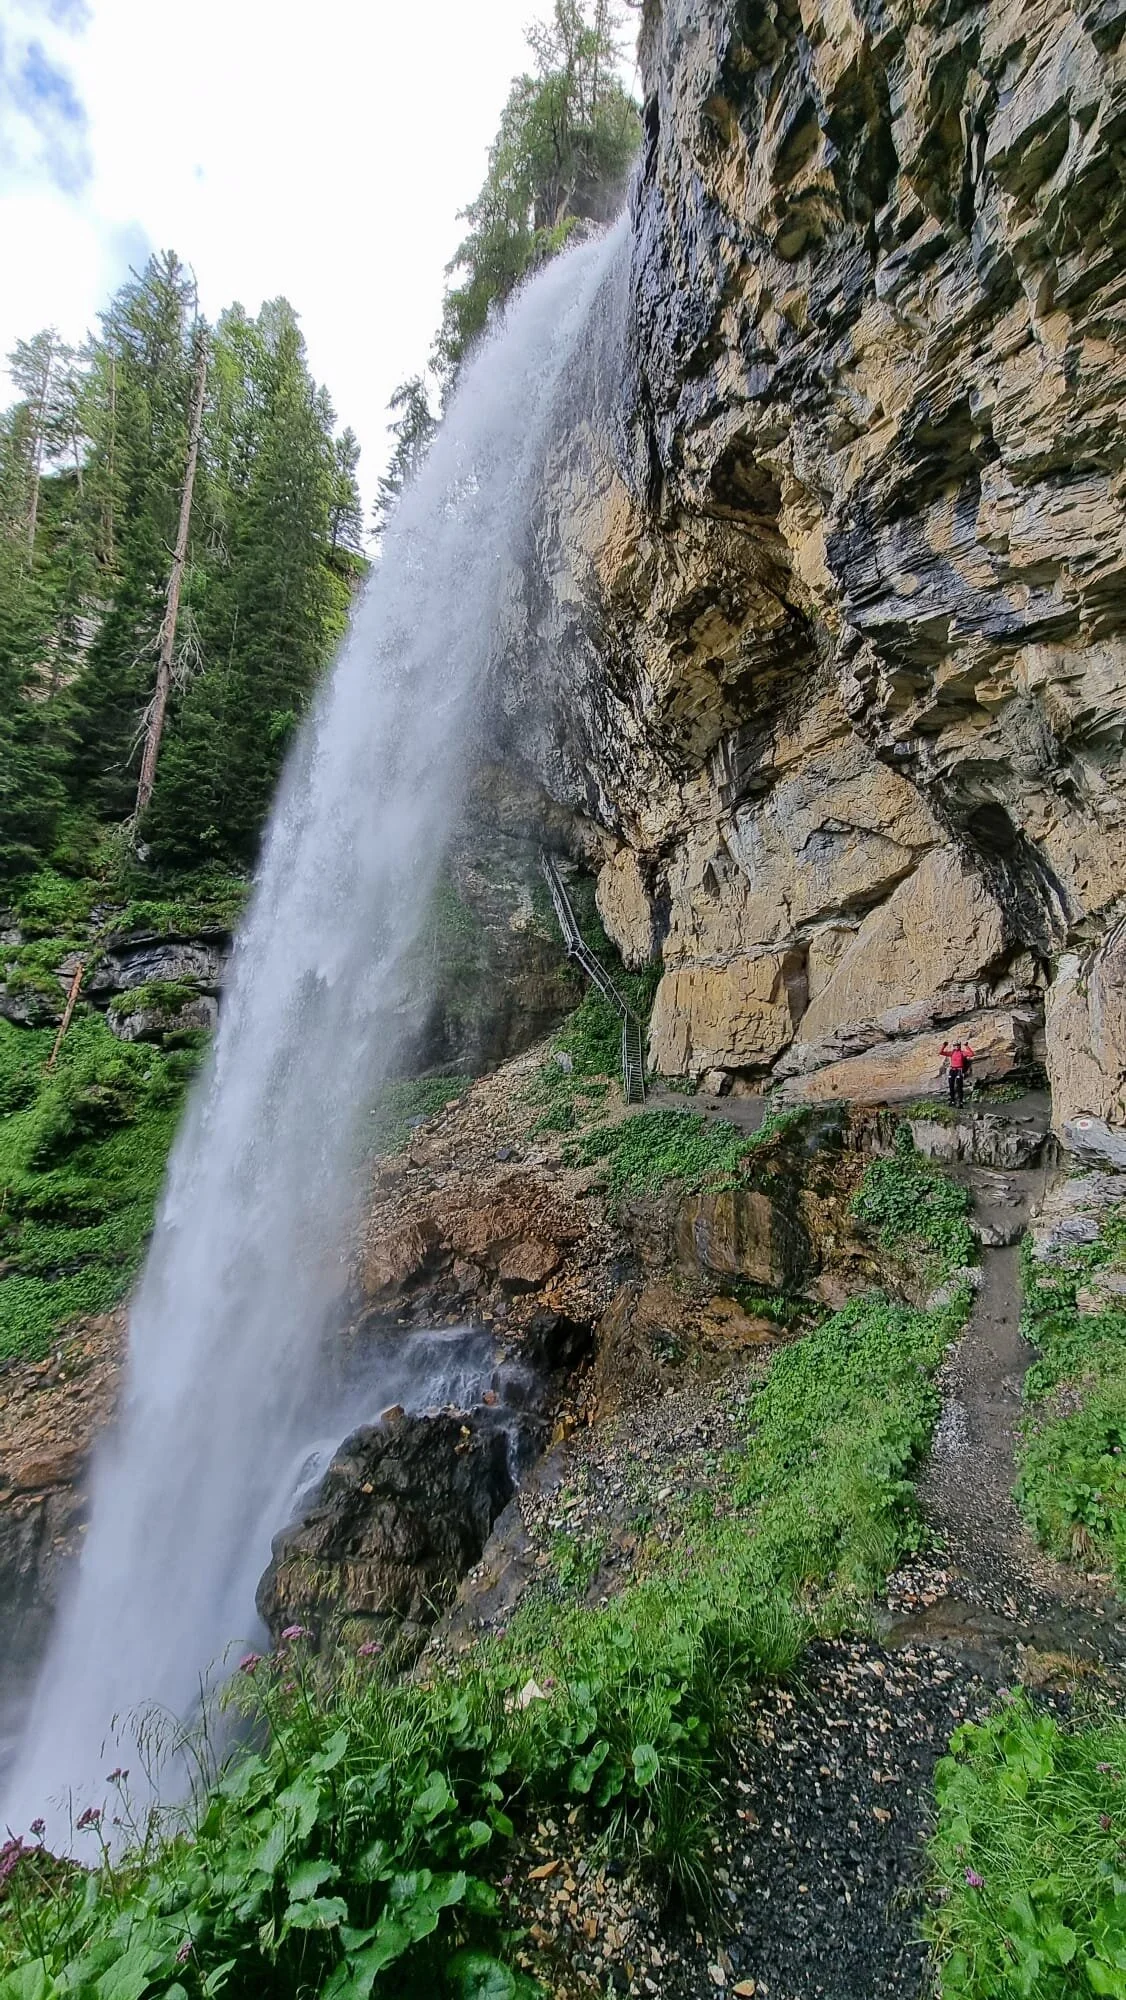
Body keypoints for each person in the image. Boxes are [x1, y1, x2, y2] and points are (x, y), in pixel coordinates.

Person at [939, 1038, 974, 1106]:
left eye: (958, 1045)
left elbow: (972, 1054)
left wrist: (967, 1046)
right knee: (951, 1085)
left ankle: (960, 1101)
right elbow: (941, 1052)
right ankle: (952, 1100)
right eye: (955, 1045)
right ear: (953, 1046)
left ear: (959, 1046)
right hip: (952, 1070)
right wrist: (944, 1045)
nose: (956, 1047)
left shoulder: (962, 1053)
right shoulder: (952, 1052)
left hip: (959, 1070)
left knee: (959, 1086)